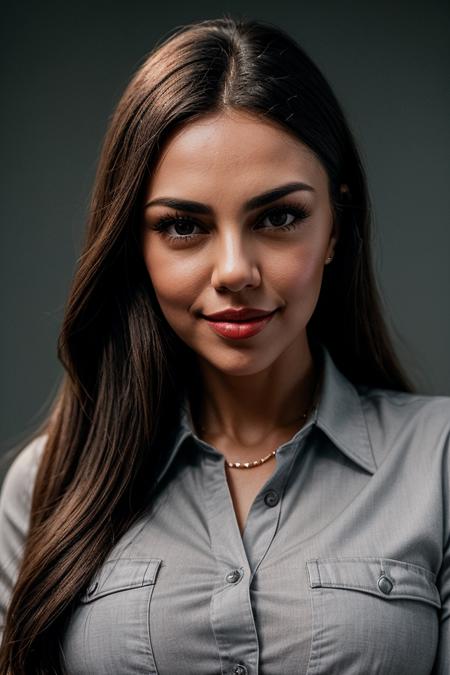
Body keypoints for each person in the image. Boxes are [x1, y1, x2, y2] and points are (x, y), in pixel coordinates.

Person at [0, 14, 448, 675]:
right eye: (184, 225)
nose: (235, 269)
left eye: (278, 217)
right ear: (135, 246)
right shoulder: (47, 485)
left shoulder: (439, 463)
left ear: (335, 226)